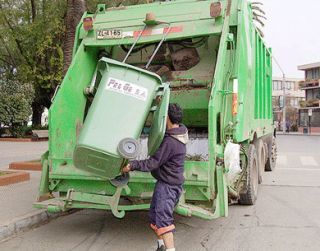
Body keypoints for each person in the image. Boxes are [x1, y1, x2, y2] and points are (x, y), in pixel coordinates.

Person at [122, 103, 188, 251]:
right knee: (155, 216)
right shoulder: (177, 133)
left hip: (169, 187)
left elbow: (153, 163)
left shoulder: (172, 142)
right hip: (165, 183)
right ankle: (161, 246)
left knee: (164, 220)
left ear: (167, 119)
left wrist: (132, 165)